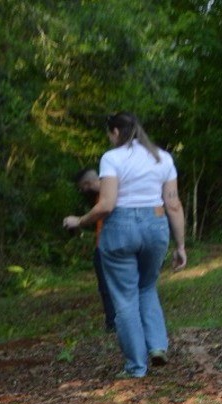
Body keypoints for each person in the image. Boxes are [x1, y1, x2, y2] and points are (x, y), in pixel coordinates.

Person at [63, 112, 188, 377]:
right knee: (147, 286)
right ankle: (156, 346)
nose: (109, 139)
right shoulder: (163, 158)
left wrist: (80, 221)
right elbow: (173, 204)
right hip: (156, 224)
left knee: (125, 297)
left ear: (116, 132)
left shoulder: (112, 158)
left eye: (110, 134)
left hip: (120, 228)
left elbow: (107, 204)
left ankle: (136, 366)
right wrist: (181, 245)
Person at [73, 168, 116, 332]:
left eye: (82, 187)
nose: (83, 191)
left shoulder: (107, 194)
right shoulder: (104, 194)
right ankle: (114, 321)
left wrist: (79, 221)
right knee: (107, 287)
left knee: (107, 287)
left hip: (108, 247)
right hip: (104, 244)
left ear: (87, 183)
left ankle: (113, 323)